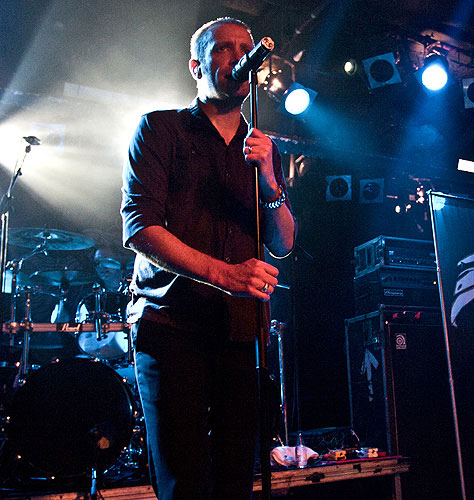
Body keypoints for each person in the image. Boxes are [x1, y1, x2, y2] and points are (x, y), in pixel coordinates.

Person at [121, 17, 295, 500]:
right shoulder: (160, 128)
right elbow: (140, 230)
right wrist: (226, 275)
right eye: (223, 48)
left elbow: (283, 242)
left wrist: (271, 182)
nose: (239, 56)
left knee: (236, 481)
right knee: (185, 482)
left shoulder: (262, 147)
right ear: (197, 67)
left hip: (241, 333)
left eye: (245, 47)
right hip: (172, 326)